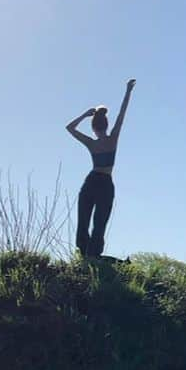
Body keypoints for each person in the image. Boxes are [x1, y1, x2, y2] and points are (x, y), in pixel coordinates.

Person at [66, 78, 136, 257]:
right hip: (103, 182)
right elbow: (121, 115)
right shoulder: (112, 139)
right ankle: (91, 256)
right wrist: (128, 92)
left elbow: (70, 128)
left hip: (93, 181)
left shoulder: (91, 142)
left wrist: (84, 114)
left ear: (94, 128)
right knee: (98, 222)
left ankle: (87, 255)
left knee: (86, 220)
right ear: (105, 126)